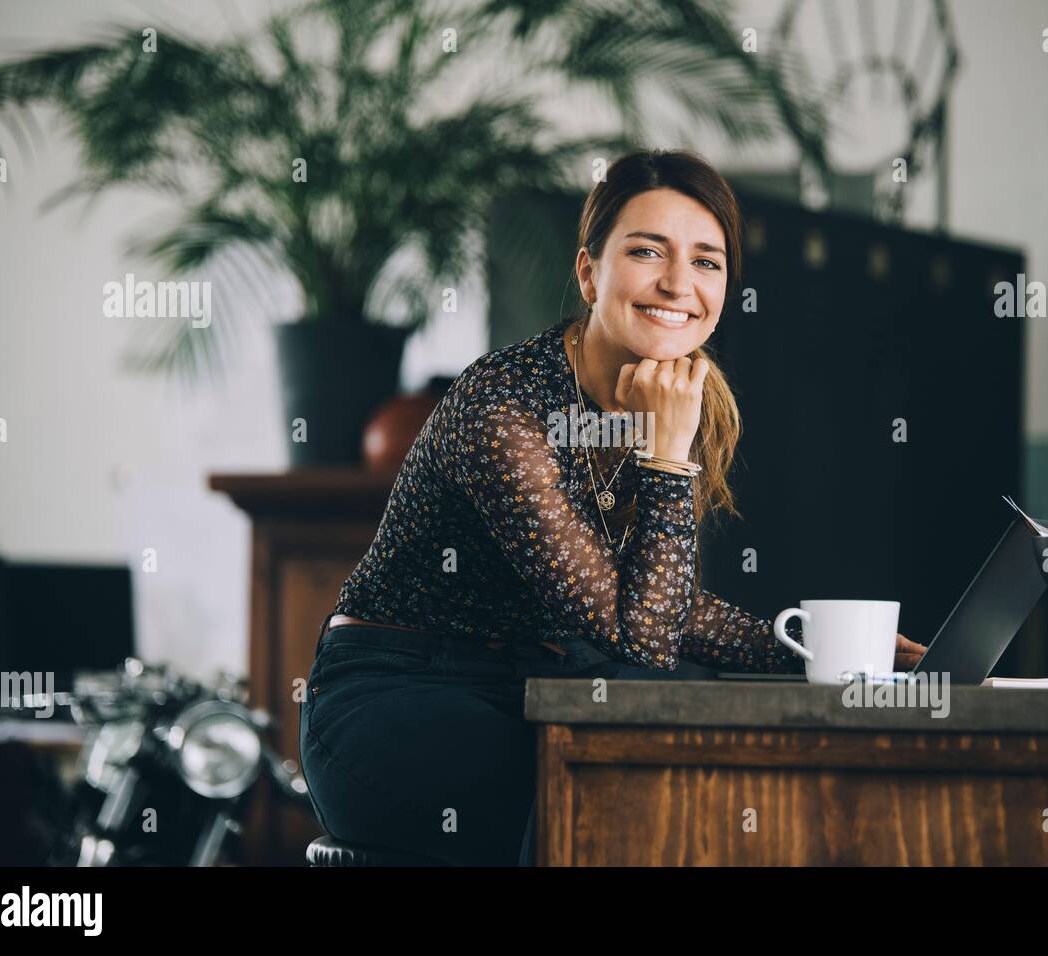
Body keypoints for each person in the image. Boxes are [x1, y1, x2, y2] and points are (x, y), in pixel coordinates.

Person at [299, 148, 927, 867]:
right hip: (396, 695)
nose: (677, 284)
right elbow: (641, 646)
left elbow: (654, 607)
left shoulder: (669, 400)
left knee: (697, 765)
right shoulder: (505, 409)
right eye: (646, 251)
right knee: (624, 790)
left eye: (706, 262)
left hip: (531, 688)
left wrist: (819, 654)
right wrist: (666, 457)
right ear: (589, 271)